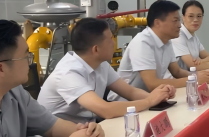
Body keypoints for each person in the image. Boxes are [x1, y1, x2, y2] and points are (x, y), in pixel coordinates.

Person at [38, 18, 175, 123]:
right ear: (96, 49)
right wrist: (149, 101)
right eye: (110, 39)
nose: (114, 43)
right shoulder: (68, 73)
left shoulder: (100, 64)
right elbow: (105, 110)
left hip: (88, 127)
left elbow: (130, 92)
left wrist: (160, 96)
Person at [115, 0, 209, 95]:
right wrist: (194, 79)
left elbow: (177, 71)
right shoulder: (142, 43)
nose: (179, 25)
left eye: (179, 20)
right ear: (158, 23)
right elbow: (152, 84)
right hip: (126, 102)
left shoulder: (167, 41)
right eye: (175, 21)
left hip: (150, 97)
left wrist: (198, 76)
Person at [172, 0, 209, 71]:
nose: (195, 20)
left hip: (191, 75)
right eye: (191, 16)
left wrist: (202, 61)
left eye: (199, 16)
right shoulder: (178, 35)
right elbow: (193, 67)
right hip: (178, 77)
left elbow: (208, 56)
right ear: (183, 17)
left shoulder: (193, 35)